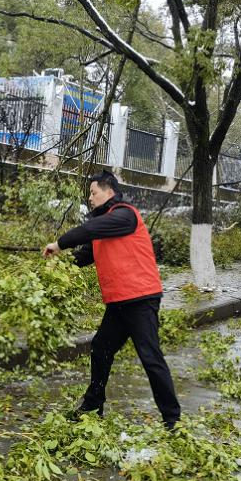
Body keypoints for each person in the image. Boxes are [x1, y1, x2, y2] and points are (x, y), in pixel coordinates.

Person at [42, 171, 181, 430]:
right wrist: (58, 263)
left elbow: (89, 229)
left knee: (150, 357)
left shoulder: (124, 215)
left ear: (109, 192)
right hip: (119, 302)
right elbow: (84, 256)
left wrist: (60, 243)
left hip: (140, 299)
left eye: (93, 193)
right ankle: (93, 405)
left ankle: (172, 419)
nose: (90, 198)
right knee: (101, 348)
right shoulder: (103, 228)